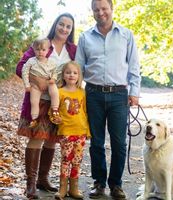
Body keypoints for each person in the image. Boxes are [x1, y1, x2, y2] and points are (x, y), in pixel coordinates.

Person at [75, 0, 141, 199]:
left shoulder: (126, 35)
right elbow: (78, 68)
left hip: (119, 94)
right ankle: (99, 183)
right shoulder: (85, 37)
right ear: (92, 12)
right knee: (96, 142)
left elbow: (134, 66)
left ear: (112, 9)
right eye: (96, 9)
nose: (100, 12)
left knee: (119, 143)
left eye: (104, 8)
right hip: (93, 94)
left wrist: (134, 92)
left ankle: (116, 184)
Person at [16, 13, 76, 199]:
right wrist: (38, 81)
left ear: (71, 30)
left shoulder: (72, 49)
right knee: (36, 138)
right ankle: (31, 184)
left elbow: (77, 71)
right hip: (38, 100)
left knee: (51, 140)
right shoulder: (42, 44)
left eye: (68, 26)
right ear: (55, 25)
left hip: (58, 102)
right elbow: (21, 66)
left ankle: (43, 178)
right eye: (61, 24)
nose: (64, 29)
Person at [51, 61, 91, 200]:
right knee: (66, 159)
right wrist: (54, 118)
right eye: (68, 72)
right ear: (63, 75)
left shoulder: (82, 92)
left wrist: (88, 131)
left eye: (75, 73)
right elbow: (53, 110)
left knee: (77, 160)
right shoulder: (60, 92)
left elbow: (85, 112)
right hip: (66, 132)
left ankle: (74, 188)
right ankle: (62, 188)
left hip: (80, 132)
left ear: (79, 76)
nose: (71, 75)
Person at [22, 38, 61, 128]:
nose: (40, 52)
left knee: (54, 91)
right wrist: (27, 85)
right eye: (38, 49)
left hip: (48, 82)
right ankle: (34, 119)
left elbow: (55, 71)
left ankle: (55, 110)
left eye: (43, 50)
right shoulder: (31, 61)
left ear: (47, 50)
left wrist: (53, 79)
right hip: (35, 85)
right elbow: (24, 71)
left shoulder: (51, 62)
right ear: (34, 49)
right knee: (34, 101)